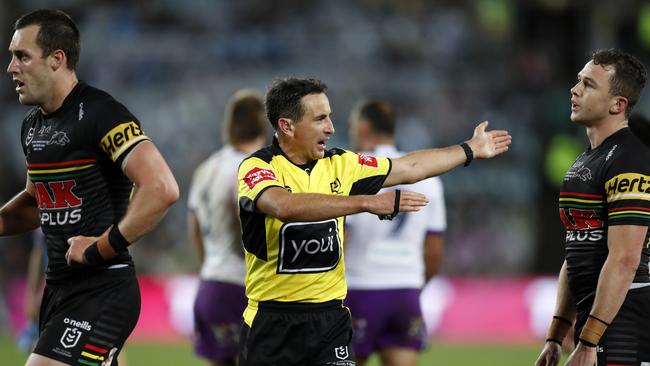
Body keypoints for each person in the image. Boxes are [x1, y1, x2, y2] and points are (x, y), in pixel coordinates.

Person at [236, 77, 511, 366]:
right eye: (320, 119)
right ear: (287, 126)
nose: (331, 127)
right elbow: (282, 206)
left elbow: (409, 167)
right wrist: (367, 202)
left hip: (331, 323)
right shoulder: (257, 167)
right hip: (271, 324)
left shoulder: (341, 164)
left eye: (329, 117)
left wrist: (469, 149)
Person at [4, 9, 179, 366]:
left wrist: (101, 247)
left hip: (103, 288)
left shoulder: (102, 113)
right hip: (58, 291)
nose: (11, 68)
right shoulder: (32, 128)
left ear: (57, 59)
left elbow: (161, 188)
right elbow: (38, 203)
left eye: (22, 56)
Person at [535, 49, 650, 366]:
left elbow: (626, 257)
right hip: (598, 326)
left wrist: (588, 342)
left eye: (588, 84)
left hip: (628, 327)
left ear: (618, 105)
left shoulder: (631, 160)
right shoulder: (586, 159)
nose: (575, 90)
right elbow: (576, 253)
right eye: (577, 81)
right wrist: (556, 337)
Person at [343, 99, 446, 366]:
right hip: (406, 291)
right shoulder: (429, 179)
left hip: (360, 289)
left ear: (364, 129)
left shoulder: (353, 172)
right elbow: (434, 250)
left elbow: (342, 239)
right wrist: (414, 284)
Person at [188, 89, 268, 366]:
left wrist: (208, 268)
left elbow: (194, 229)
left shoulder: (207, 168)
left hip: (211, 283)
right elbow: (246, 218)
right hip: (243, 286)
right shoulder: (252, 168)